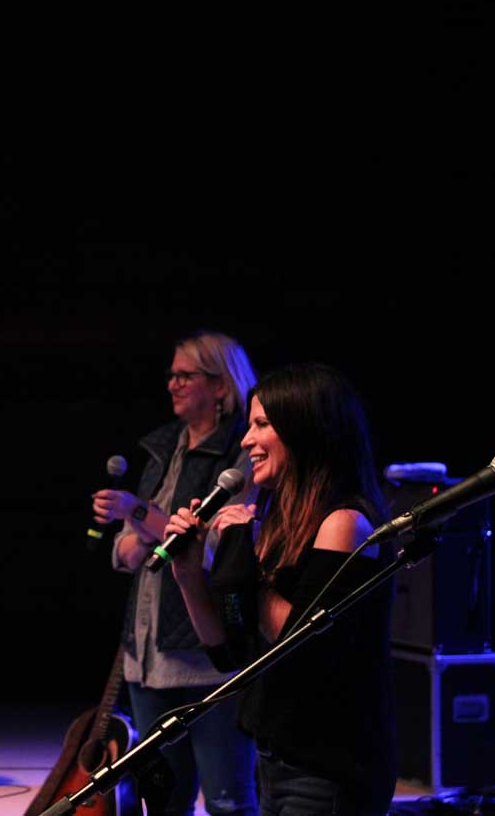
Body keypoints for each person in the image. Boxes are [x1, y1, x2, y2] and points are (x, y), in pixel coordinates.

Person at [166, 363, 395, 816]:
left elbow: (299, 643)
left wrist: (245, 561)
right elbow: (231, 655)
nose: (246, 440)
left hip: (327, 768)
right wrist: (190, 576)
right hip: (277, 761)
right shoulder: (278, 522)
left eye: (261, 425)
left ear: (306, 429)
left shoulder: (345, 524)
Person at [92, 329, 259, 816]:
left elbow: (214, 548)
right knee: (161, 799)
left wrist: (140, 515)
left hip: (204, 660)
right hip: (146, 655)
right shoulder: (165, 448)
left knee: (228, 799)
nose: (172, 385)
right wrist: (139, 530)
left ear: (222, 386)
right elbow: (125, 549)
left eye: (185, 376)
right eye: (171, 375)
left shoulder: (240, 457)